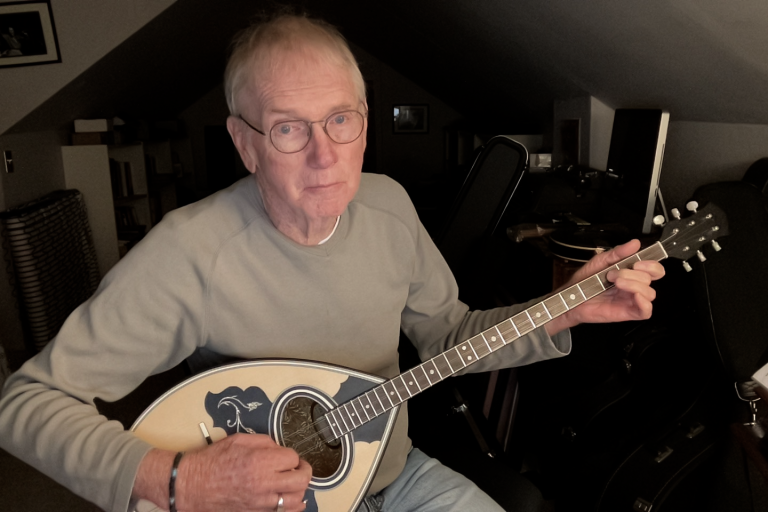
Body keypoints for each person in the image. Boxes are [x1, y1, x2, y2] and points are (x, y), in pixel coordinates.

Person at [0, 13, 664, 512]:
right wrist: (183, 478)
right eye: (290, 128)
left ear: (365, 123)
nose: (326, 155)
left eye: (340, 120)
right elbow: (24, 404)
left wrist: (564, 310)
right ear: (245, 143)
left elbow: (449, 337)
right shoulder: (190, 252)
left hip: (395, 473)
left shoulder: (391, 208)